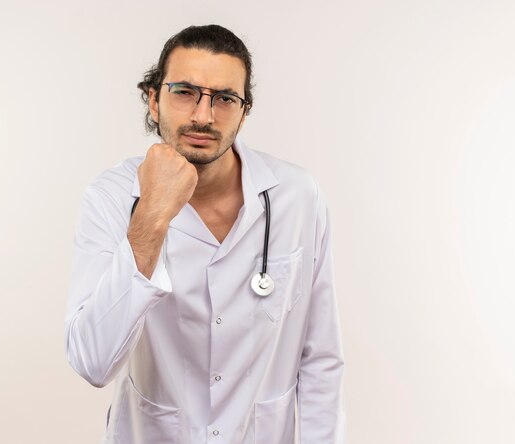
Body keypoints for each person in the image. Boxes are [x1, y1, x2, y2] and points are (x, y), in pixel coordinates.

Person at [65, 24, 345, 444]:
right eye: (184, 92)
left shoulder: (296, 197)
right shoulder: (111, 198)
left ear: (244, 111)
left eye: (224, 99)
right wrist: (152, 218)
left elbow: (321, 359)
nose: (203, 115)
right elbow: (93, 362)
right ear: (153, 100)